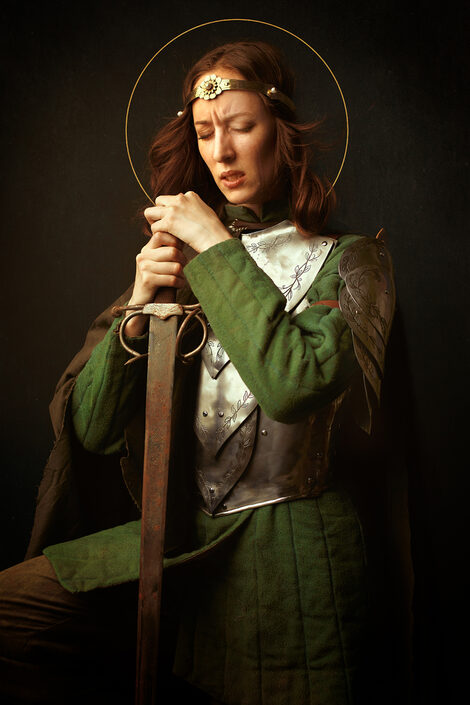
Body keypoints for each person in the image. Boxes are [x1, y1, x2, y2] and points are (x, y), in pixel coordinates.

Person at [0, 41, 395, 704]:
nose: (221, 152)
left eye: (242, 127)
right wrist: (136, 307)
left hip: (292, 551)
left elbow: (292, 387)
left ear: (284, 133)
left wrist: (213, 244)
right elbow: (94, 431)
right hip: (182, 538)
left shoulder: (352, 263)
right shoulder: (182, 259)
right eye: (206, 132)